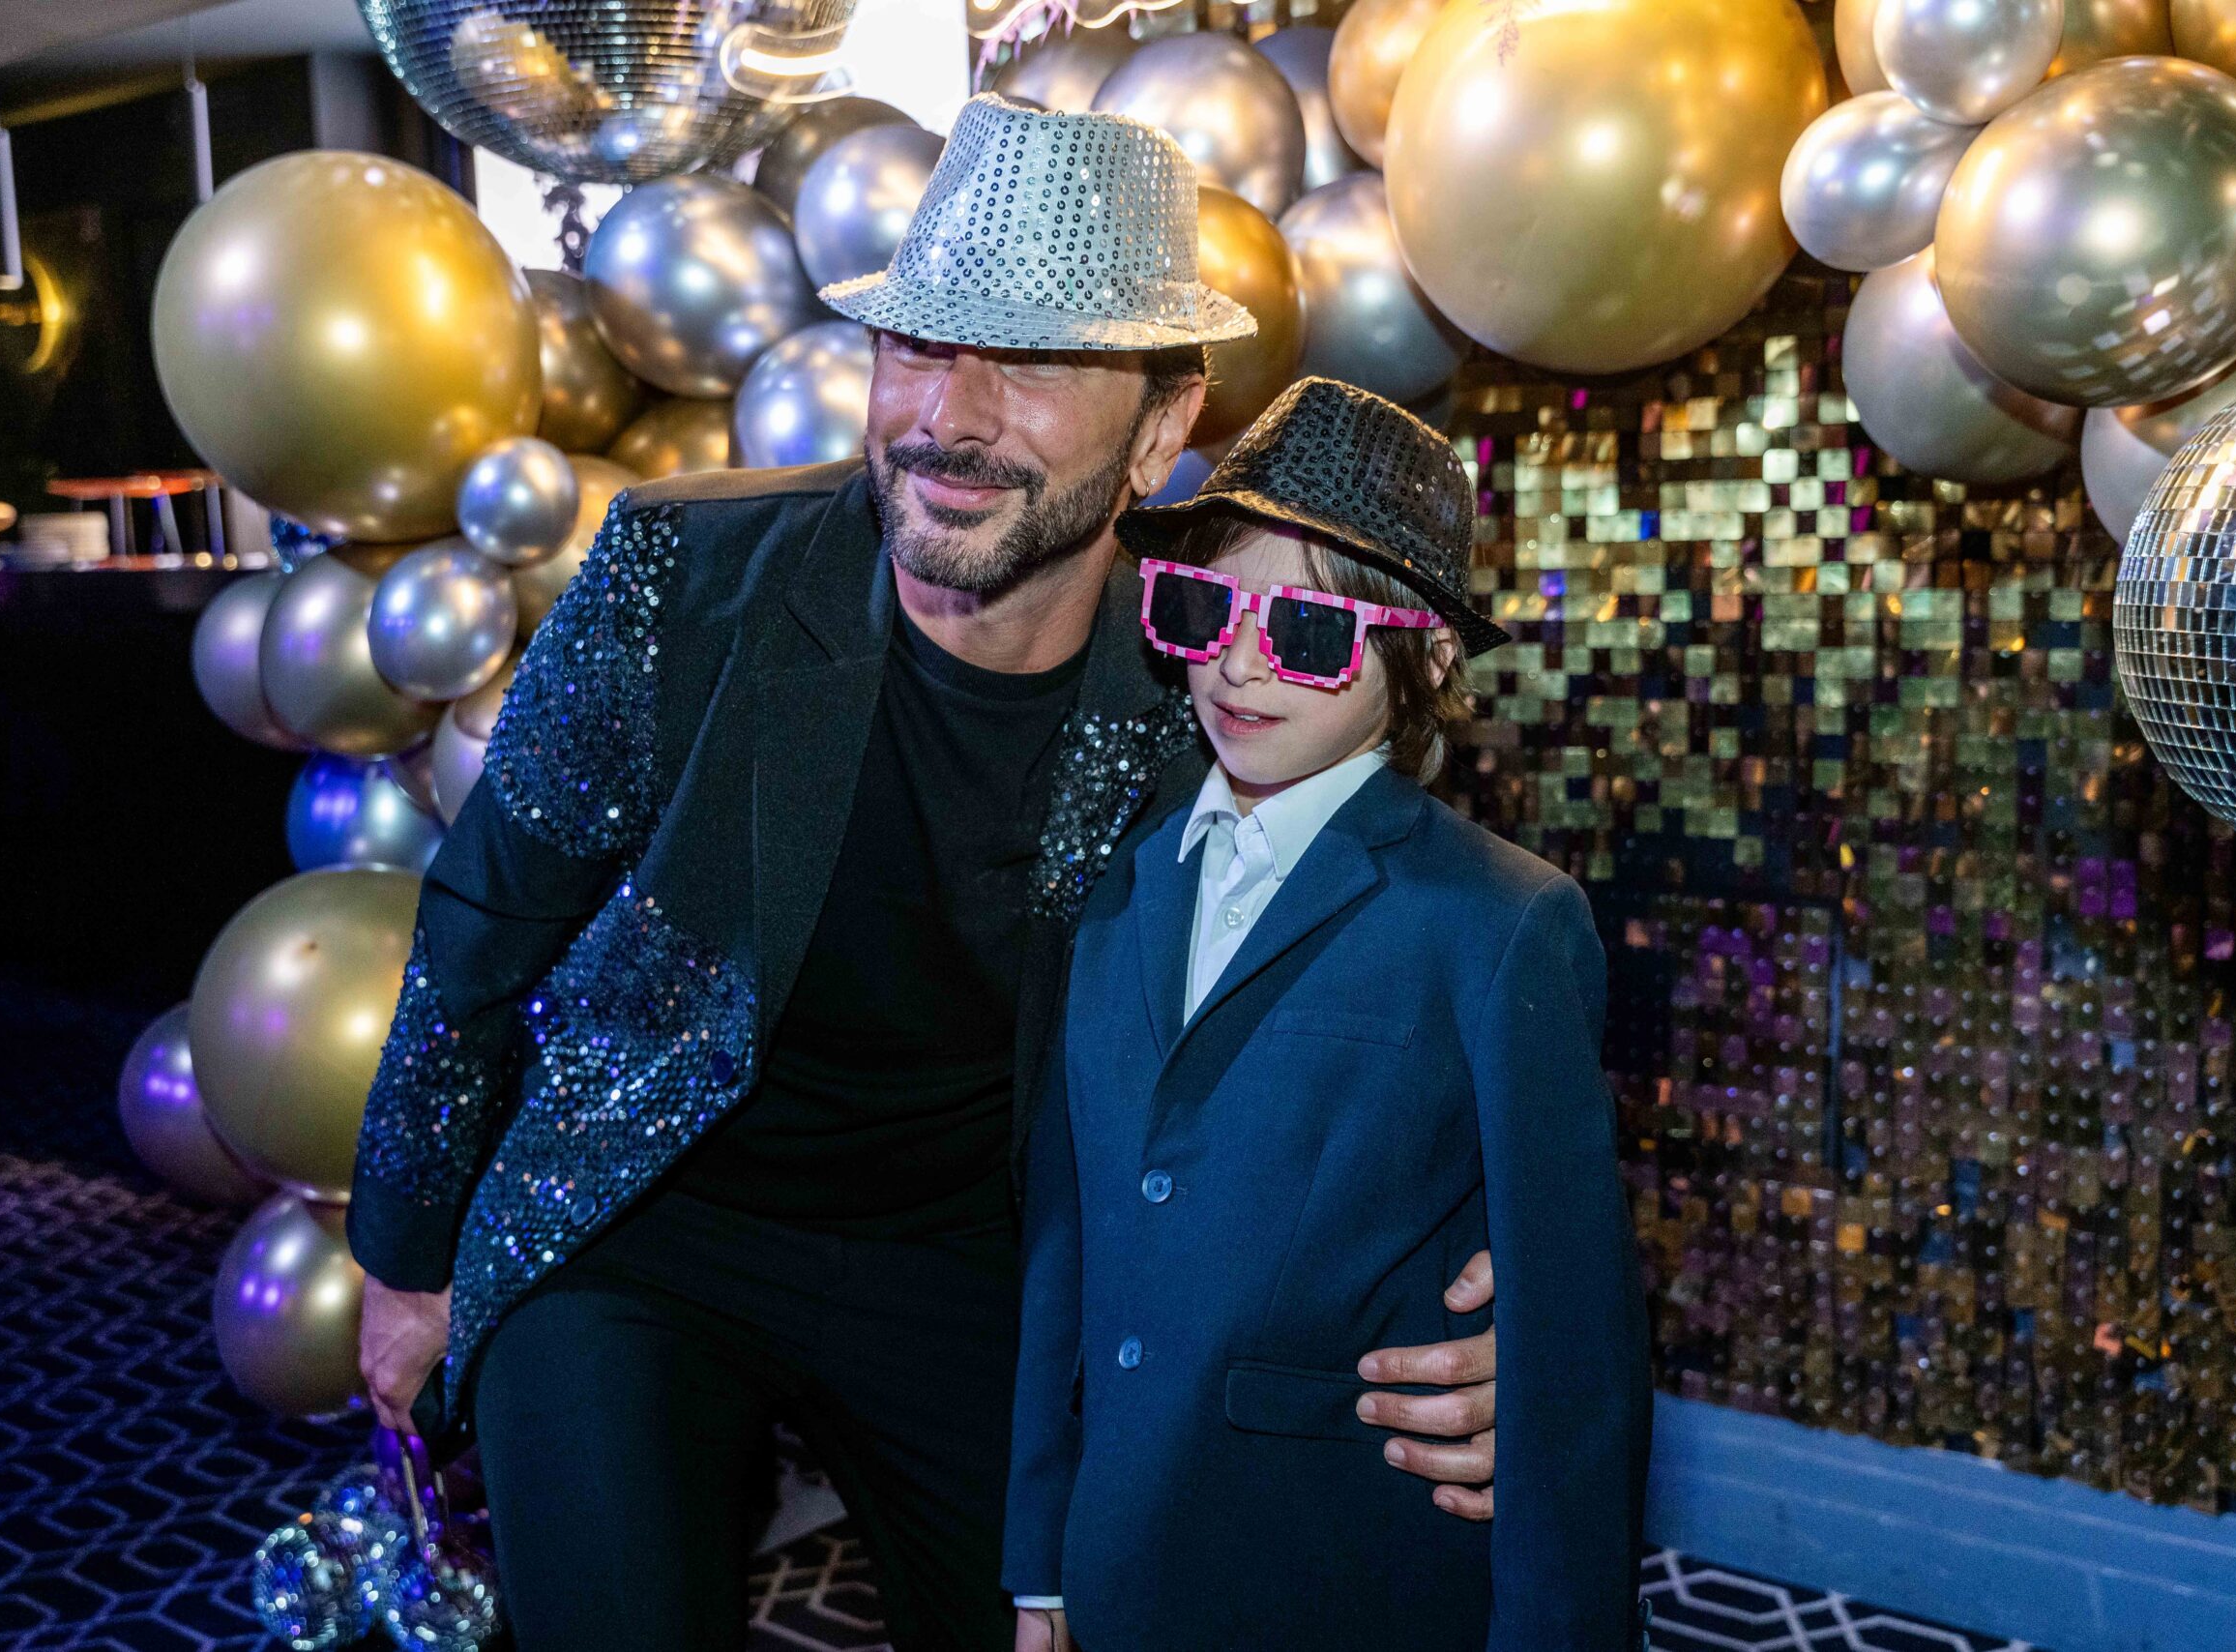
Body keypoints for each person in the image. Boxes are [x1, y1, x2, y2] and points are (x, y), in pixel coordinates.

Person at [347, 97, 1513, 1652]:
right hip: (645, 1216)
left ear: (1160, 425)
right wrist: (405, 1257)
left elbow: (1396, 978)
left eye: (1030, 362)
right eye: (916, 346)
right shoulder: (684, 578)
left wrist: (1485, 1295)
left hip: (980, 1262)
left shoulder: (1217, 669)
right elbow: (487, 920)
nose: (948, 416)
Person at [1005, 378, 1652, 1652]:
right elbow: (1067, 1244)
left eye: (1308, 629)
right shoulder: (1119, 884)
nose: (1241, 663)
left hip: (1348, 1570)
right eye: (1203, 609)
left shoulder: (1499, 921)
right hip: (1118, 1553)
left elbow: (1572, 1345)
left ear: (1422, 657)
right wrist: (1041, 1569)